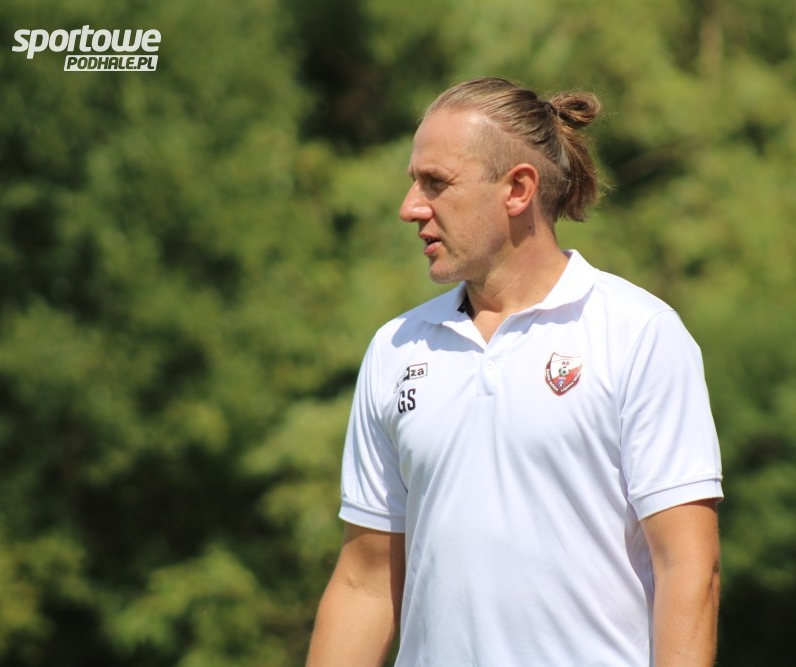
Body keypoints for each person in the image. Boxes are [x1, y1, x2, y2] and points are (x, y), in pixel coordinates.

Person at [305, 77, 723, 667]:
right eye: (413, 182)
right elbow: (364, 583)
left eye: (436, 183)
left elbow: (689, 569)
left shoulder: (639, 333)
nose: (410, 207)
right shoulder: (395, 348)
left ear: (518, 189)